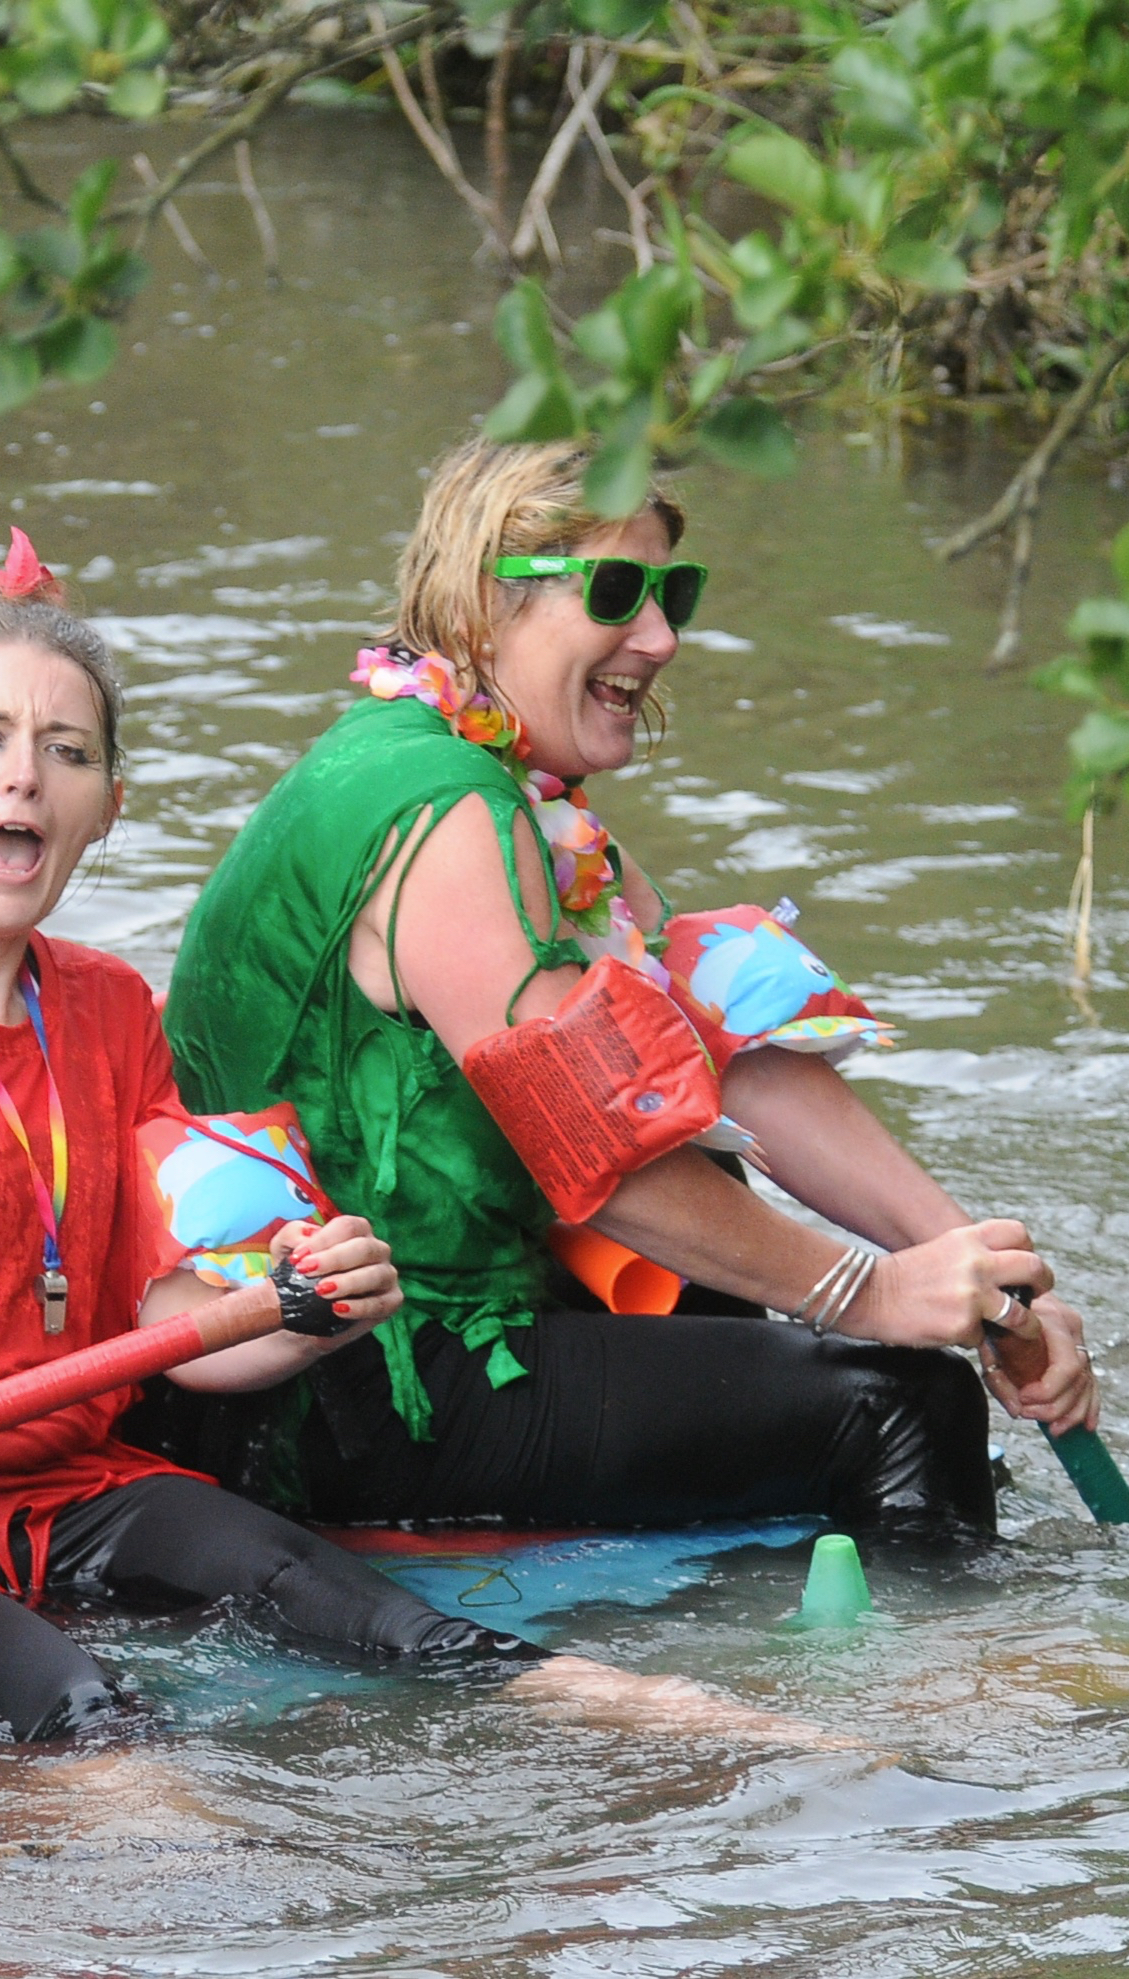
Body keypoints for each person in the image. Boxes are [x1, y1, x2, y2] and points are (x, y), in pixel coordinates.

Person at [0, 538, 775, 1744]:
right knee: (92, 1714)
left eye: (65, 752)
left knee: (393, 1622)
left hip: (75, 1485)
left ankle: (658, 1718)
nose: (23, 777)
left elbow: (190, 1323)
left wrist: (311, 1301)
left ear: (107, 807)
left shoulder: (116, 1010)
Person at [148, 436, 1098, 1540]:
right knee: (900, 1405)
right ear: (478, 605)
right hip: (343, 1386)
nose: (660, 635)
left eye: (672, 592)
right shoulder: (449, 816)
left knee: (804, 1317)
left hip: (467, 1316)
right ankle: (961, 1698)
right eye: (615, 591)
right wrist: (870, 1291)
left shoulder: (526, 800)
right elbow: (595, 1144)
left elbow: (727, 1059)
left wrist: (989, 1280)